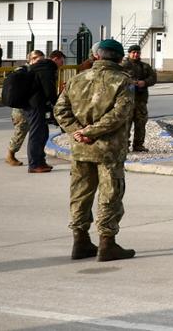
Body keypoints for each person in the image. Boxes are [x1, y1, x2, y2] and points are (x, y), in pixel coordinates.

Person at [53, 38, 136, 262]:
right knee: (110, 194)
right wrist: (91, 132)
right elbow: (119, 114)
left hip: (81, 149)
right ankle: (107, 244)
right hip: (109, 150)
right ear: (120, 58)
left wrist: (77, 132)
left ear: (96, 55)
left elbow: (60, 110)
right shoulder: (123, 81)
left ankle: (80, 241)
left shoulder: (76, 79)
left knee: (80, 194)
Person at [26, 49, 62, 172]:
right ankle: (34, 164)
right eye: (61, 61)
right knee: (36, 134)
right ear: (56, 59)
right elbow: (49, 89)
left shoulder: (42, 67)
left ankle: (40, 161)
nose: (62, 64)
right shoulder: (47, 68)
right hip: (35, 105)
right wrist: (56, 103)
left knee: (43, 133)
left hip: (37, 104)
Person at [121, 46, 157, 152]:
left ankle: (138, 145)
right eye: (133, 52)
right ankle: (124, 145)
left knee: (140, 124)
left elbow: (153, 78)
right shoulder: (123, 66)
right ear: (129, 53)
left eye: (137, 52)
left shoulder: (145, 66)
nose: (136, 54)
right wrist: (130, 82)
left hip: (140, 100)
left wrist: (144, 82)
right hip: (126, 100)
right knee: (125, 124)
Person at [6, 52, 38, 166]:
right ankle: (10, 155)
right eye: (38, 59)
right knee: (21, 130)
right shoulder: (27, 71)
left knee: (22, 129)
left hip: (20, 106)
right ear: (31, 59)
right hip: (21, 108)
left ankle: (11, 154)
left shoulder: (22, 70)